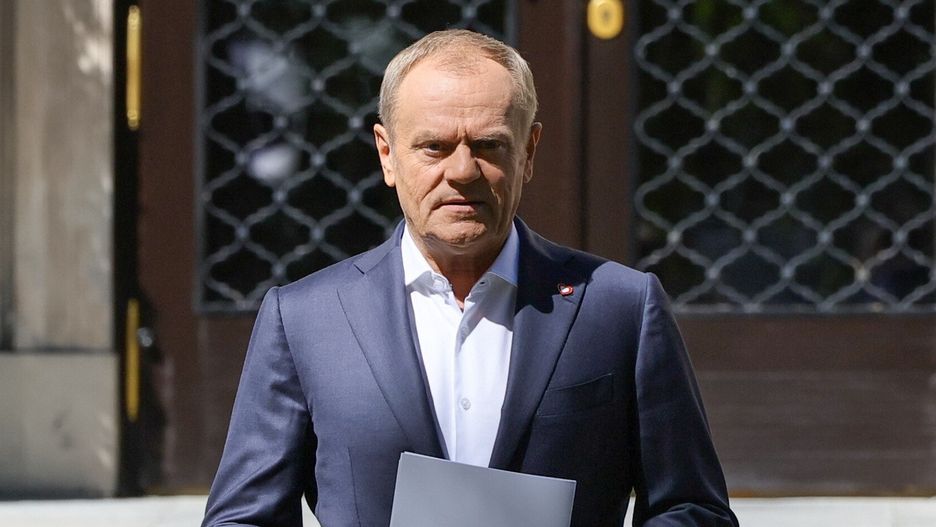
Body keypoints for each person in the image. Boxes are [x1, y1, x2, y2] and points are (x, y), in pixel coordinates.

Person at [202, 29, 738, 527]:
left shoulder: (620, 307)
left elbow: (692, 508)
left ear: (528, 152)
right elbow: (242, 519)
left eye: (488, 146)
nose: (462, 171)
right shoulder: (306, 319)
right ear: (387, 155)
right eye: (434, 147)